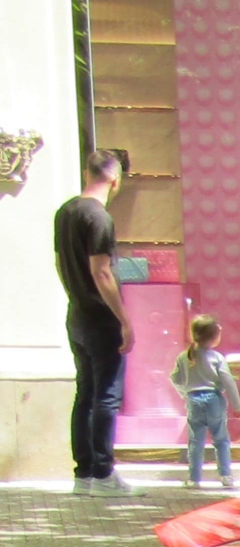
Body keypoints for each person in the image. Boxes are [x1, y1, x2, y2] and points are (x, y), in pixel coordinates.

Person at [54, 149, 132, 493]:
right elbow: (102, 272)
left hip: (77, 314)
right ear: (115, 180)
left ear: (88, 173)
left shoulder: (66, 212)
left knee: (84, 393)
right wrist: (125, 320)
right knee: (107, 396)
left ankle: (83, 473)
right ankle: (103, 472)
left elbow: (59, 263)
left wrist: (74, 294)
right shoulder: (99, 218)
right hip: (101, 318)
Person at [169, 314, 240, 487]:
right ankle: (225, 475)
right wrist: (237, 405)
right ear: (215, 337)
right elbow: (228, 381)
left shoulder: (184, 357)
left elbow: (175, 378)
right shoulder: (216, 357)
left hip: (193, 401)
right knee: (221, 439)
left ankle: (194, 478)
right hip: (214, 399)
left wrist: (184, 394)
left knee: (195, 441)